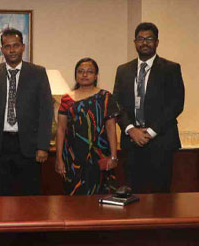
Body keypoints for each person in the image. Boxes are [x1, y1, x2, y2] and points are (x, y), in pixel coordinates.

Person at [0, 28, 53, 196]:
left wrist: (43, 146)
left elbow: (46, 112)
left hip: (29, 146)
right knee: (1, 195)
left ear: (23, 47)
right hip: (0, 145)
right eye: (7, 46)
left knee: (30, 196)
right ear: (2, 49)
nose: (12, 50)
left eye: (16, 45)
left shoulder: (38, 73)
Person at [113, 22, 184, 193]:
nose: (144, 42)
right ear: (135, 42)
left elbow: (176, 104)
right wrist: (131, 130)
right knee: (132, 194)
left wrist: (150, 132)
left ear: (157, 42)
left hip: (161, 141)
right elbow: (116, 104)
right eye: (140, 39)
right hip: (131, 142)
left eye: (149, 39)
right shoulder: (123, 70)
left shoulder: (171, 69)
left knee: (161, 196)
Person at [55, 58, 119, 195]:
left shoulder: (105, 97)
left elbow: (111, 128)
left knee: (99, 196)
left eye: (89, 72)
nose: (84, 75)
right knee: (74, 197)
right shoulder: (66, 99)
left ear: (96, 76)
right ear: (76, 75)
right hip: (72, 158)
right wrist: (59, 158)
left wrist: (114, 156)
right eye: (80, 71)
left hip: (99, 156)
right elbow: (61, 129)